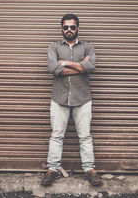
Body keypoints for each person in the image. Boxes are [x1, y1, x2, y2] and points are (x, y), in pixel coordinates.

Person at [41, 14, 102, 187]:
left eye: (72, 27)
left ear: (77, 28)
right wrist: (80, 66)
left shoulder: (88, 47)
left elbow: (92, 66)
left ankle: (89, 170)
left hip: (82, 99)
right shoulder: (53, 47)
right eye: (66, 27)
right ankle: (52, 169)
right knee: (56, 136)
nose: (69, 30)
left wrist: (65, 63)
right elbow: (53, 68)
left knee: (85, 137)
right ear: (61, 28)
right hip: (59, 98)